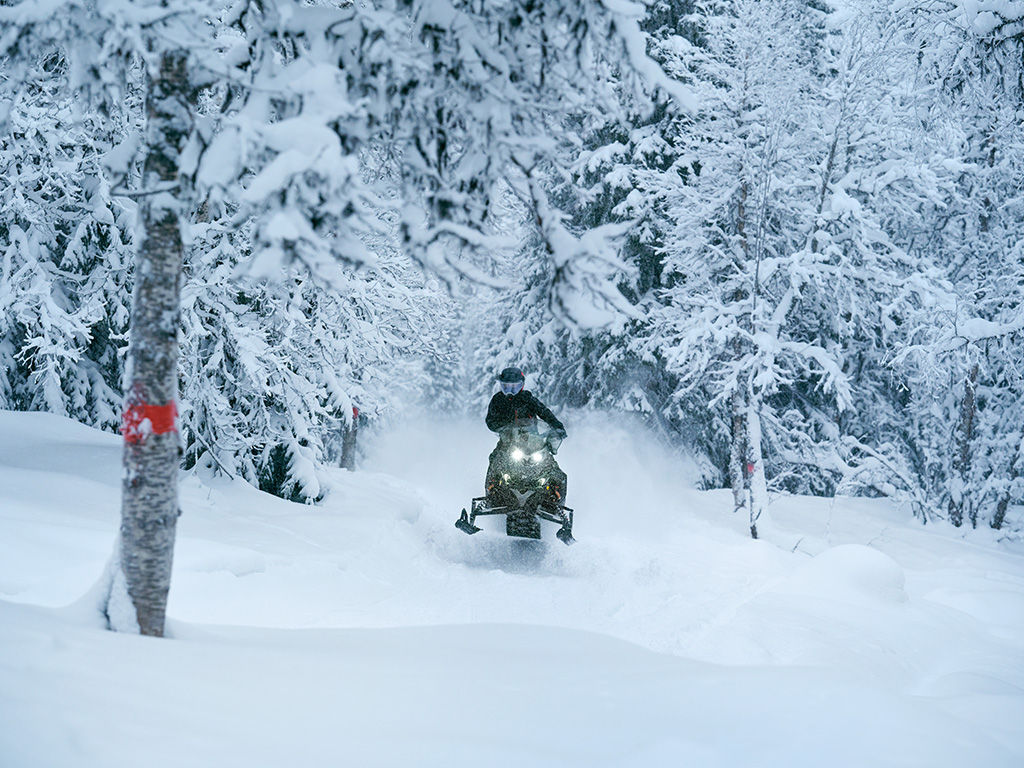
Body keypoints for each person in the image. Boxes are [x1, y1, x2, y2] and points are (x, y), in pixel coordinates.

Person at [484, 366, 568, 506]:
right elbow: (490, 420)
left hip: (533, 441)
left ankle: (556, 497)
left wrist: (557, 427)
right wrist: (503, 427)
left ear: (521, 385)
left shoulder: (528, 399)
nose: (510, 391)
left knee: (552, 466)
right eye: (506, 387)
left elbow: (544, 412)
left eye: (514, 387)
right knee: (495, 460)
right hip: (508, 441)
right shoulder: (498, 400)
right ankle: (492, 493)